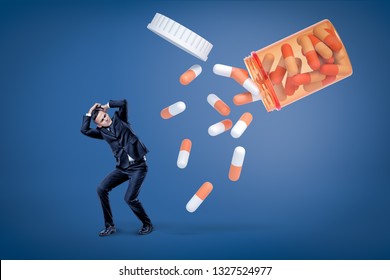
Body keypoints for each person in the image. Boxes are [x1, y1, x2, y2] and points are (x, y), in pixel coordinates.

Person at [80, 99, 153, 236]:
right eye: (102, 119)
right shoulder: (102, 133)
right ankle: (110, 226)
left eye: (105, 115)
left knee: (129, 198)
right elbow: (84, 130)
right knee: (101, 188)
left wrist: (106, 106)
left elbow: (124, 102)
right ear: (99, 125)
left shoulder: (120, 119)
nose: (106, 119)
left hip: (139, 166)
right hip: (123, 168)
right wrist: (89, 113)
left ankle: (147, 224)